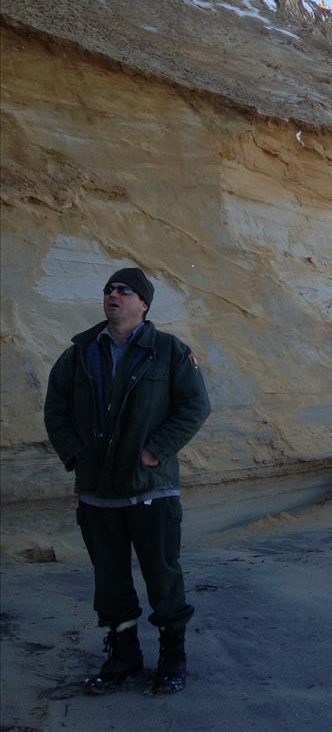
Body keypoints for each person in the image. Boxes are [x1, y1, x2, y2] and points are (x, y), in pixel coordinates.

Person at [44, 267, 210, 694]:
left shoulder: (169, 351)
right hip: (97, 492)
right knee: (110, 580)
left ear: (144, 304)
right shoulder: (79, 353)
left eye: (124, 290)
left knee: (162, 575)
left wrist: (156, 450)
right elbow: (56, 410)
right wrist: (77, 455)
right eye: (108, 289)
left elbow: (195, 406)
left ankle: (172, 658)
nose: (112, 295)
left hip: (151, 488)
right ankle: (123, 656)